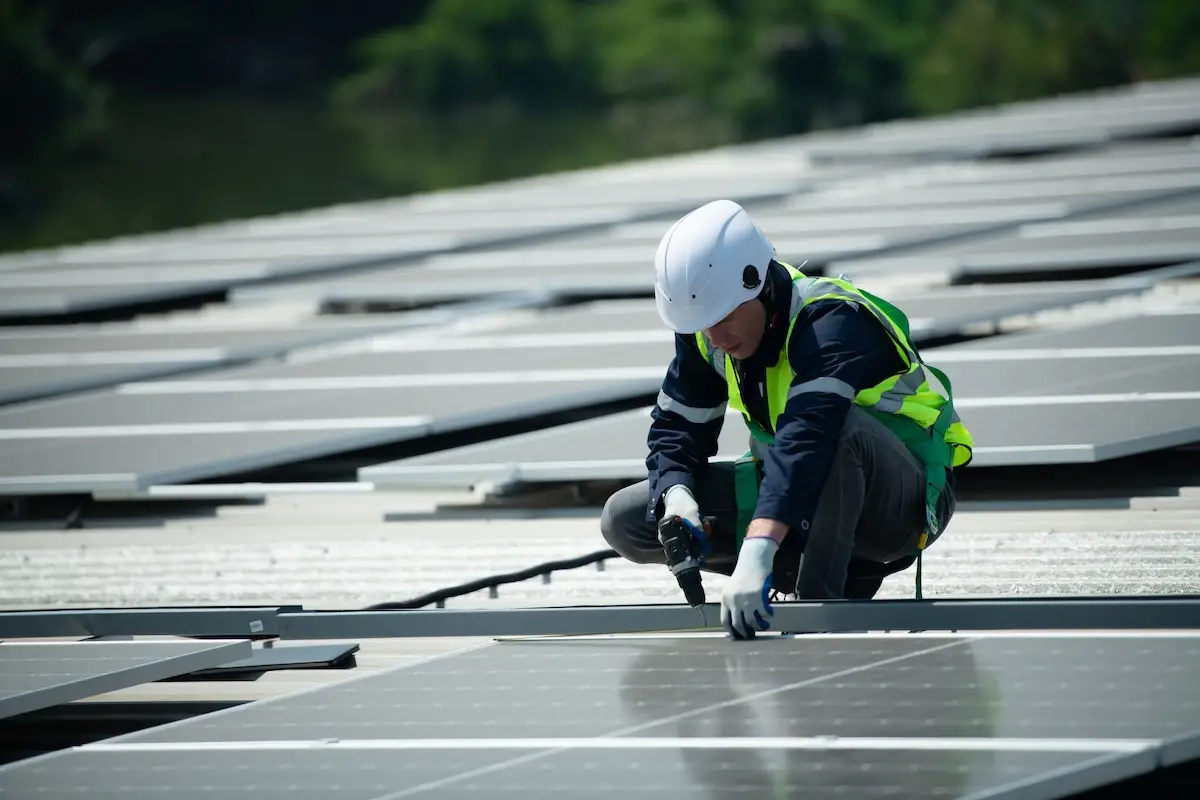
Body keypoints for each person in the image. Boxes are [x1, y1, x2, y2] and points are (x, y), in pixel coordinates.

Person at [599, 199, 974, 639]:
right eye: (702, 326)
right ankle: (790, 568)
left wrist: (757, 548)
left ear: (756, 284)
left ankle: (819, 617)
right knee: (626, 518)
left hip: (899, 504)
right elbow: (676, 428)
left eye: (722, 318)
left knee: (837, 433)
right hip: (806, 493)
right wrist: (678, 497)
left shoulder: (830, 320)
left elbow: (809, 437)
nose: (714, 338)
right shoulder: (708, 336)